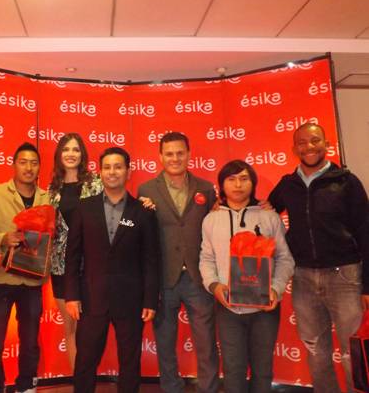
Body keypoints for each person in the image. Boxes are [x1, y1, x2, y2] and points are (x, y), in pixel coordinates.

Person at [268, 123, 369, 393]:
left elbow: (365, 231)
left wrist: (368, 285)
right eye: (302, 142)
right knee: (316, 353)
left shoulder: (347, 182)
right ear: (294, 149)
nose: (309, 147)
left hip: (345, 276)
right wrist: (223, 204)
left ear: (326, 144)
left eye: (315, 140)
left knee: (352, 353)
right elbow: (263, 210)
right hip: (303, 278)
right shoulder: (288, 185)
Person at [65, 147, 160, 393]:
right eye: (107, 167)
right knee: (85, 360)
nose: (112, 172)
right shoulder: (84, 208)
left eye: (118, 167)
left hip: (131, 299)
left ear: (128, 172)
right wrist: (72, 295)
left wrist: (150, 299)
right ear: (100, 172)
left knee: (130, 361)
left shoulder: (143, 211)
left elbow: (151, 260)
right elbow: (72, 256)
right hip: (91, 297)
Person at [199, 160, 294, 393]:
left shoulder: (269, 217)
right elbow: (206, 259)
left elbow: (285, 259)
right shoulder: (211, 219)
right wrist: (214, 286)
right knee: (233, 370)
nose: (238, 185)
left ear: (253, 183)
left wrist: (276, 289)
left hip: (265, 309)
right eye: (231, 179)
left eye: (244, 179)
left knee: (263, 370)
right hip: (228, 308)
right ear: (222, 185)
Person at [138, 131, 219, 393]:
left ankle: (208, 389)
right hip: (163, 278)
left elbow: (214, 230)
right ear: (160, 156)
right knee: (164, 344)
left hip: (198, 278)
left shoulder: (206, 188)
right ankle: (171, 388)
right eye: (169, 153)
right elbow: (140, 233)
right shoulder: (146, 190)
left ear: (189, 154)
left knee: (206, 344)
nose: (175, 158)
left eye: (180, 153)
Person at [0, 142, 50, 393]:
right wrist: (2, 238)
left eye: (34, 163)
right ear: (13, 165)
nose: (28, 168)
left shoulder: (47, 198)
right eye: (23, 162)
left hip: (32, 280)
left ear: (39, 167)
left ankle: (26, 385)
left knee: (30, 342)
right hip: (0, 278)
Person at [48, 133, 102, 370]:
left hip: (92, 266)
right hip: (61, 268)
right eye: (66, 149)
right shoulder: (51, 190)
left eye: (76, 149)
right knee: (70, 327)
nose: (71, 154)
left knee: (90, 328)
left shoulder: (96, 183)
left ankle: (88, 376)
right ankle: (78, 380)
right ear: (59, 155)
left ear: (83, 155)